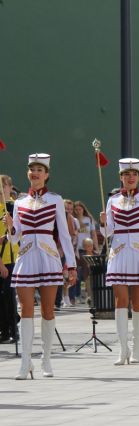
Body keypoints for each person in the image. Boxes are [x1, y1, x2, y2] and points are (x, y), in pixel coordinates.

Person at [5, 154, 77, 379]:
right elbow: (15, 239)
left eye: (39, 169)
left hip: (48, 257)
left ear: (46, 175)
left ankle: (46, 358)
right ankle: (25, 361)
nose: (34, 173)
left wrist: (71, 265)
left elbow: (64, 235)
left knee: (47, 310)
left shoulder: (55, 199)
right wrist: (10, 228)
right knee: (25, 309)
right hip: (26, 257)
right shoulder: (19, 202)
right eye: (31, 169)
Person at [100, 158, 139, 366]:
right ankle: (122, 348)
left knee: (138, 301)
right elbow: (107, 233)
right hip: (118, 251)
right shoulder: (112, 200)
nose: (130, 177)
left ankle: (136, 348)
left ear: (138, 177)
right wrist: (103, 223)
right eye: (126, 174)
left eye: (134, 174)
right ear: (121, 177)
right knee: (120, 301)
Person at [0, 174, 19, 345]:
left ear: (9, 187)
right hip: (1, 257)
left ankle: (13, 330)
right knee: (2, 296)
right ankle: (4, 330)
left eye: (3, 186)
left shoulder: (15, 206)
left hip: (13, 256)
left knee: (9, 295)